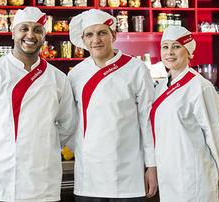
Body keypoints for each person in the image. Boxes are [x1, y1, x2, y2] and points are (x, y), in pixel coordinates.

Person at [0, 7, 77, 202]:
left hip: (43, 179)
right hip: (0, 180)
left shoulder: (58, 78)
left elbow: (68, 123)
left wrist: (44, 146)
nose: (30, 35)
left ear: (44, 36)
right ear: (13, 33)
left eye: (37, 30)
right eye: (24, 29)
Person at [67, 9, 158, 201]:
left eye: (102, 33)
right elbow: (69, 121)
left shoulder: (136, 69)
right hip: (88, 175)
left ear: (114, 35)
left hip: (127, 173)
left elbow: (147, 121)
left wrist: (152, 166)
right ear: (83, 40)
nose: (96, 40)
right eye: (90, 35)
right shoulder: (75, 75)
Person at [150, 26, 219, 201]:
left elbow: (214, 131)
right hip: (169, 174)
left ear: (188, 51)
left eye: (176, 46)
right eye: (165, 47)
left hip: (194, 174)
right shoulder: (160, 87)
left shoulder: (199, 85)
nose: (169, 52)